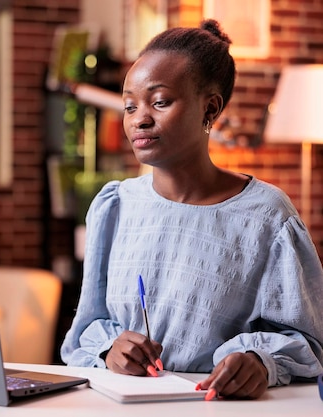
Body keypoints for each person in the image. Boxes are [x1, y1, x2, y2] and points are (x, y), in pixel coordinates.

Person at [60, 19, 323, 401]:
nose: (140, 118)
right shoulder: (115, 206)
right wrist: (110, 348)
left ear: (210, 108)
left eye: (160, 101)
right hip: (119, 406)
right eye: (130, 105)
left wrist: (258, 360)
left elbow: (309, 341)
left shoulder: (268, 216)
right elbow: (87, 330)